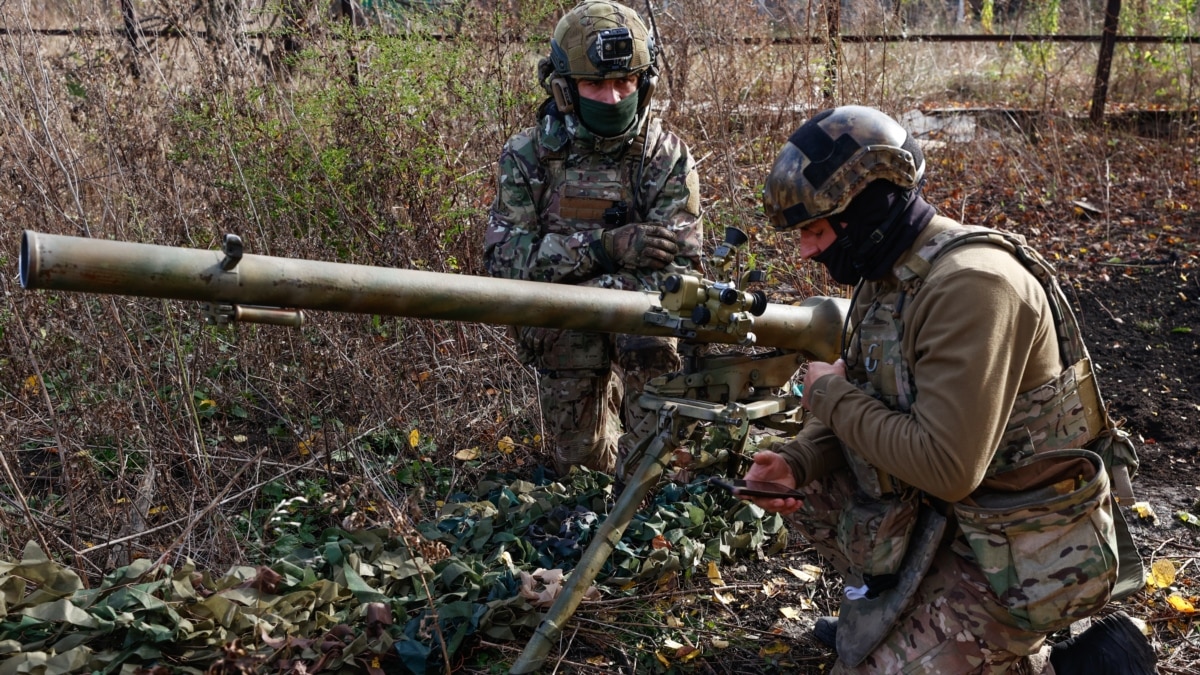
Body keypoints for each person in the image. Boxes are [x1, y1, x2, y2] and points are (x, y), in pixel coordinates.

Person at [745, 105, 1155, 674]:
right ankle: (901, 611)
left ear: (866, 209)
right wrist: (796, 461)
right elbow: (868, 394)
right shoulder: (887, 274)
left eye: (815, 231)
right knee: (808, 488)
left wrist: (827, 397)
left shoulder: (974, 286)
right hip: (951, 516)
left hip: (1017, 540)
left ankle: (1079, 658)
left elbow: (946, 465)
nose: (807, 252)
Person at [483, 0, 702, 476]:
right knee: (579, 470)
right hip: (564, 332)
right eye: (595, 84)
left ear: (645, 84)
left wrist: (588, 291)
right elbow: (503, 260)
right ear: (564, 89)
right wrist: (605, 248)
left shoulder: (666, 157)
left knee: (652, 470)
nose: (612, 97)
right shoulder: (530, 155)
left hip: (642, 329)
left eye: (625, 82)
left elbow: (680, 273)